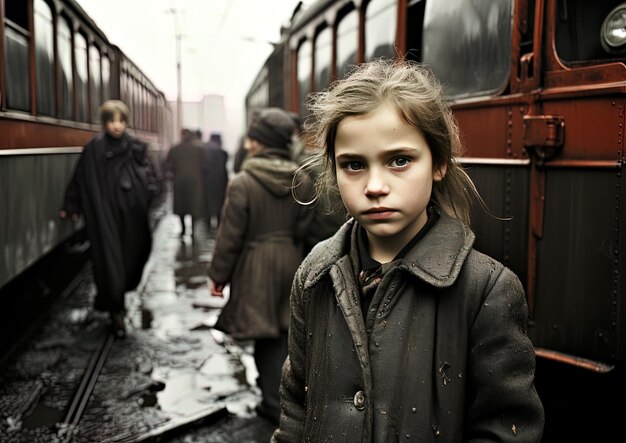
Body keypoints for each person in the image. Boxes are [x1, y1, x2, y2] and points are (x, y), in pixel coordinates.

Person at [272, 59, 545, 441]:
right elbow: (295, 407)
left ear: (439, 163)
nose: (375, 185)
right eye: (353, 165)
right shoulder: (314, 275)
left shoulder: (486, 290)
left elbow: (505, 428)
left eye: (399, 161)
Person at [207, 107, 314, 425]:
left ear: (258, 143)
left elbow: (230, 236)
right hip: (292, 260)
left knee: (265, 336)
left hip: (256, 265)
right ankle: (285, 396)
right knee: (286, 334)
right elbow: (304, 228)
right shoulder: (303, 179)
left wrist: (218, 276)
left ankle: (272, 404)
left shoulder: (242, 183)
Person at [59, 100, 160, 338]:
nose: (116, 126)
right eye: (112, 121)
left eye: (121, 121)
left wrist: (146, 195)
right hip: (104, 216)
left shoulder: (137, 147)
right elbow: (79, 178)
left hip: (132, 216)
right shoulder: (94, 148)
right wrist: (70, 204)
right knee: (109, 262)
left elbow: (154, 178)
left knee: (131, 258)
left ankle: (113, 301)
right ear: (104, 123)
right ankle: (116, 312)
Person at [165, 128, 209, 238]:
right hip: (195, 182)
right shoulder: (199, 149)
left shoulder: (175, 149)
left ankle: (183, 229)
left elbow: (167, 165)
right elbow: (205, 166)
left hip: (179, 181)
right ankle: (193, 230)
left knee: (181, 206)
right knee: (194, 206)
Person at [203, 132, 229, 231]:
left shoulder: (203, 149)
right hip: (220, 181)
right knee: (219, 204)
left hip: (207, 181)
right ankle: (218, 225)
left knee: (207, 203)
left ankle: (208, 225)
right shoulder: (222, 152)